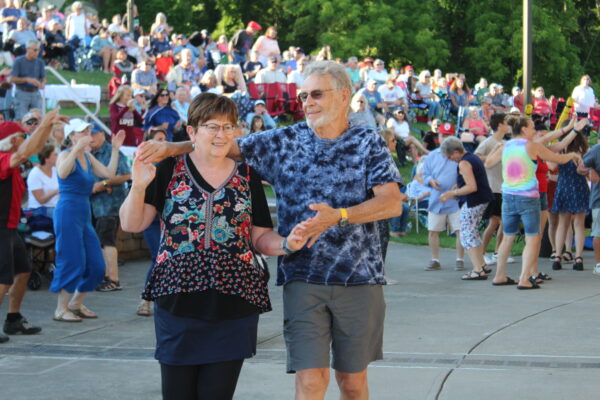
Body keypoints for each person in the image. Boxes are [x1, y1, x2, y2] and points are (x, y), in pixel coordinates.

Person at [135, 61, 404, 399]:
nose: (307, 102)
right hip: (302, 275)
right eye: (303, 96)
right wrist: (171, 148)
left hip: (359, 277)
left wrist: (339, 216)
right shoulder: (284, 140)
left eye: (317, 94)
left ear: (344, 96)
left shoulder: (368, 141)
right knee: (310, 380)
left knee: (352, 382)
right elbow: (221, 142)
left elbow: (392, 203)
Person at [120, 92, 309, 399]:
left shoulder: (247, 176)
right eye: (212, 126)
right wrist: (139, 186)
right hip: (177, 298)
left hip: (235, 301)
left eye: (228, 127)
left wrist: (288, 243)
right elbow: (132, 223)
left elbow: (260, 237)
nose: (221, 134)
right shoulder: (168, 169)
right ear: (192, 131)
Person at [485, 116, 581, 288]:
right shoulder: (532, 146)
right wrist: (573, 154)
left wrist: (496, 148)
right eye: (531, 128)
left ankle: (499, 275)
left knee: (507, 237)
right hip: (528, 197)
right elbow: (557, 158)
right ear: (523, 129)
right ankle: (524, 278)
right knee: (533, 238)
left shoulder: (505, 146)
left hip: (508, 196)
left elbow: (488, 163)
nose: (534, 131)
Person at [0, 112, 65, 343]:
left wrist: (47, 127)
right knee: (3, 278)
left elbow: (33, 149)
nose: (24, 140)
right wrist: (45, 124)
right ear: (11, 140)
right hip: (1, 227)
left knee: (23, 270)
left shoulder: (13, 158)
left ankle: (13, 318)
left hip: (10, 226)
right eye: (21, 136)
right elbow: (25, 152)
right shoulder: (3, 158)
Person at [51, 119, 125, 322]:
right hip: (67, 212)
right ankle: (61, 308)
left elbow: (108, 173)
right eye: (83, 132)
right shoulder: (65, 154)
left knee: (97, 265)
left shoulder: (88, 156)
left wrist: (115, 150)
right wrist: (76, 149)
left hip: (83, 212)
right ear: (72, 136)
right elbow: (62, 172)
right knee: (71, 260)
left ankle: (75, 303)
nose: (88, 135)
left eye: (88, 131)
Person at [440, 137, 494, 280]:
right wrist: (459, 186)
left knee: (466, 235)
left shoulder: (464, 163)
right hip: (482, 199)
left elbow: (472, 187)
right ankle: (481, 264)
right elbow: (473, 180)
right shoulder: (473, 157)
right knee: (473, 232)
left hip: (473, 202)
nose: (450, 160)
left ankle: (477, 270)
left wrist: (452, 193)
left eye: (450, 156)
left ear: (456, 152)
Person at [90, 126, 131, 292]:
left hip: (110, 204)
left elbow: (126, 175)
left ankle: (113, 279)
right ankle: (106, 276)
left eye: (94, 134)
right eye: (88, 134)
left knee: (107, 241)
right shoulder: (89, 153)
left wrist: (104, 183)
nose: (91, 137)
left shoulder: (112, 151)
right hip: (94, 204)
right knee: (101, 242)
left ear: (102, 134)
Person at [422, 122, 465, 271]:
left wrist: (459, 185)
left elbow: (466, 174)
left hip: (455, 198)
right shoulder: (432, 155)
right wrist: (430, 181)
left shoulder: (459, 156)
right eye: (443, 135)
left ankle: (460, 259)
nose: (445, 138)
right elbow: (425, 174)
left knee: (460, 230)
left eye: (448, 135)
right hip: (437, 198)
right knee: (433, 230)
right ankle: (435, 259)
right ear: (438, 137)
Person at [475, 113, 514, 266]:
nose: (509, 126)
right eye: (506, 123)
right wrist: (493, 156)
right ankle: (482, 253)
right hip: (492, 187)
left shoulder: (506, 143)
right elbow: (476, 157)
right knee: (494, 221)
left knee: (505, 222)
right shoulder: (488, 142)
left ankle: (498, 252)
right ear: (499, 125)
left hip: (504, 187)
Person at [550, 126, 590, 272]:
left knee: (562, 224)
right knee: (579, 224)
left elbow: (551, 166)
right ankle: (578, 258)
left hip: (563, 186)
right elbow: (588, 170)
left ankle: (557, 257)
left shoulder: (561, 149)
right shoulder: (584, 149)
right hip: (579, 186)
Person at [9, 39, 45, 121]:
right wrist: (27, 80)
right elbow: (12, 78)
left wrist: (42, 83)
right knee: (21, 118)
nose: (37, 52)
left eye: (38, 50)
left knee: (38, 118)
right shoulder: (19, 61)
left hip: (35, 93)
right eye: (35, 50)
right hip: (22, 92)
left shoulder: (40, 62)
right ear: (27, 49)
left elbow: (43, 78)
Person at [26, 144, 59, 217]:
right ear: (47, 159)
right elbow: (40, 200)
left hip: (55, 206)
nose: (58, 156)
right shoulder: (34, 174)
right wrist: (56, 191)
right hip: (40, 209)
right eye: (55, 155)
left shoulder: (55, 170)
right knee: (65, 215)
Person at [583, 136, 600, 275]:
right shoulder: (596, 150)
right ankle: (599, 264)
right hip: (599, 199)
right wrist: (590, 169)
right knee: (598, 232)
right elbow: (580, 167)